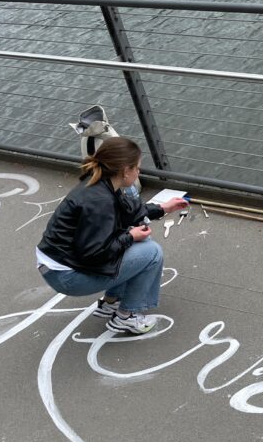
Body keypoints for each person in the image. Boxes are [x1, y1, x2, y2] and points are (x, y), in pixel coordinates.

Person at [35, 137, 188, 334]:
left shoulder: (101, 182)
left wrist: (163, 208)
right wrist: (130, 237)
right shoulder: (100, 201)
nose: (139, 172)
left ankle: (112, 301)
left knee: (140, 245)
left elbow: (128, 211)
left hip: (59, 262)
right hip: (66, 276)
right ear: (125, 171)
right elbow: (93, 254)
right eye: (137, 168)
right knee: (152, 253)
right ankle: (127, 316)